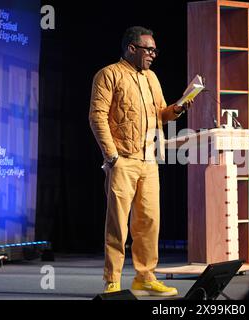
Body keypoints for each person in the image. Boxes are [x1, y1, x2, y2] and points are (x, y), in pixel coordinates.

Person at [89, 26, 190, 296]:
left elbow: (161, 113)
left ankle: (145, 277)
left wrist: (178, 108)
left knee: (149, 222)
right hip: (123, 159)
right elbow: (97, 116)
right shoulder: (108, 74)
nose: (154, 55)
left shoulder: (152, 78)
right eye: (149, 49)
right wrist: (111, 156)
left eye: (155, 50)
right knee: (118, 225)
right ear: (131, 48)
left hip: (150, 160)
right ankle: (113, 281)